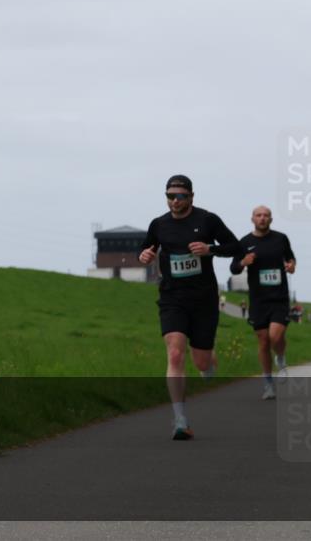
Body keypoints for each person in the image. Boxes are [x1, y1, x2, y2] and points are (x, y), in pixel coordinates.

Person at [138, 175, 240, 440]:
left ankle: (208, 362)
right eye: (170, 196)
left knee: (201, 360)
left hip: (204, 299)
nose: (174, 201)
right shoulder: (159, 224)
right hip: (173, 298)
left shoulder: (207, 220)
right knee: (174, 353)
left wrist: (210, 249)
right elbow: (145, 248)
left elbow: (235, 246)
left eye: (180, 196)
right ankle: (180, 419)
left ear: (191, 197)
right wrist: (144, 255)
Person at [229, 206, 296, 400]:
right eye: (259, 215)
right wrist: (243, 262)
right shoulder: (244, 243)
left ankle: (281, 358)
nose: (262, 218)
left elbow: (290, 259)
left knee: (276, 337)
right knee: (264, 341)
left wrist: (291, 266)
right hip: (258, 301)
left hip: (279, 298)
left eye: (266, 215)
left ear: (271, 219)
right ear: (252, 219)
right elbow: (234, 268)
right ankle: (268, 384)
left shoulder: (280, 239)